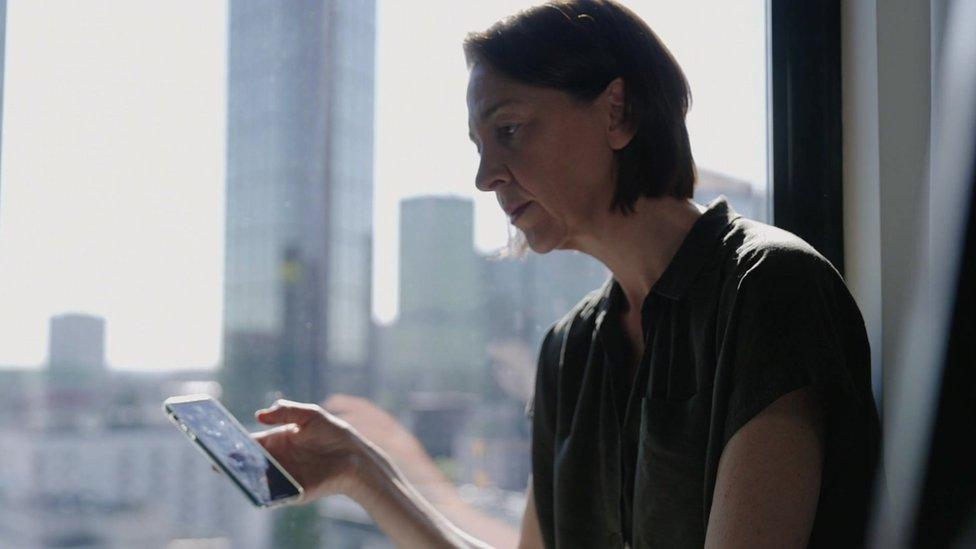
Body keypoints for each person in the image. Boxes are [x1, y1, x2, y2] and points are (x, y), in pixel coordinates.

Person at [252, 1, 881, 547]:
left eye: (510, 130)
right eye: (480, 147)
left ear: (617, 113)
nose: (486, 176)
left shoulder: (768, 289)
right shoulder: (569, 353)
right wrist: (361, 472)